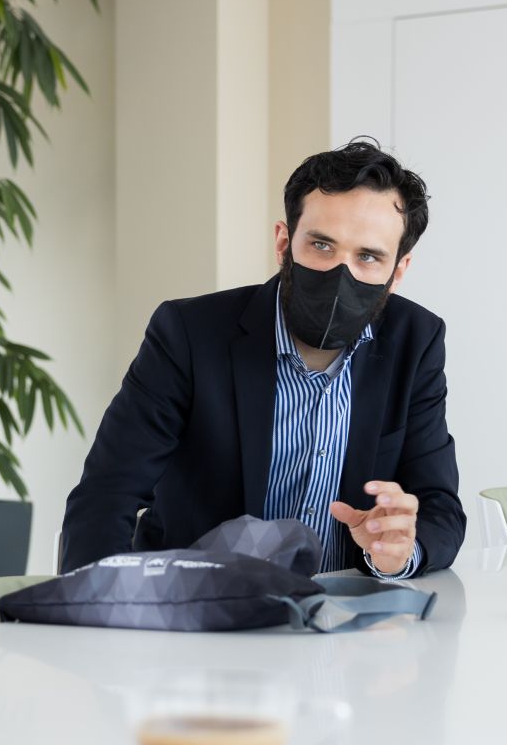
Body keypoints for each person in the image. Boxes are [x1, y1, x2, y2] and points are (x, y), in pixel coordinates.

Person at [61, 139, 465, 576]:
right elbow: (107, 492)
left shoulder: (416, 341)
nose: (340, 273)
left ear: (398, 271)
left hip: (343, 623)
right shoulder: (189, 333)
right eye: (321, 246)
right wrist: (96, 610)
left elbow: (438, 507)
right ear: (283, 241)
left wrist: (401, 553)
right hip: (199, 614)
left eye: (368, 256)